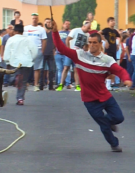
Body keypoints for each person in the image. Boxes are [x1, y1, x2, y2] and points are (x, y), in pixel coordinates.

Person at [52, 20, 132, 152]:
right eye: (90, 42)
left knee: (119, 118)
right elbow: (61, 48)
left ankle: (109, 122)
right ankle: (114, 144)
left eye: (95, 43)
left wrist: (126, 79)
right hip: (89, 99)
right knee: (104, 126)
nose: (92, 45)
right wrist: (55, 31)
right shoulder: (79, 55)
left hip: (105, 96)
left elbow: (119, 70)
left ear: (101, 44)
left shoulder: (107, 59)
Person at [4, 24, 38, 105]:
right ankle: (20, 99)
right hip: (26, 62)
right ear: (22, 32)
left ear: (15, 31)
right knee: (23, 82)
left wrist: (7, 61)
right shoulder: (28, 40)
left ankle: (15, 79)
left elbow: (7, 51)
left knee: (13, 78)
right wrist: (31, 59)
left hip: (14, 62)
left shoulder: (11, 39)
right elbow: (35, 51)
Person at [23, 13, 47, 91]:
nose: (34, 19)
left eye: (36, 18)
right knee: (26, 67)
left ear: (38, 19)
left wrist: (42, 50)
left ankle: (36, 85)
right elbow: (23, 39)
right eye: (33, 18)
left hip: (38, 49)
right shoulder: (26, 28)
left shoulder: (41, 29)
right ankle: (25, 84)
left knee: (37, 68)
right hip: (27, 50)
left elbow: (44, 40)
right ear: (31, 19)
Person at [101, 17, 121, 90]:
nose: (113, 22)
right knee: (107, 67)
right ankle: (106, 84)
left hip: (114, 51)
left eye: (114, 21)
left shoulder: (115, 31)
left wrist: (118, 44)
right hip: (108, 51)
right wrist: (105, 41)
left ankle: (109, 84)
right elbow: (99, 33)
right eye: (111, 21)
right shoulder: (106, 30)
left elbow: (119, 37)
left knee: (112, 67)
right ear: (108, 22)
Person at [55, 20, 72, 90]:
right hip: (58, 53)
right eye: (66, 24)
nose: (67, 25)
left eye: (68, 24)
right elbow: (55, 41)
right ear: (63, 24)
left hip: (66, 54)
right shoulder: (58, 32)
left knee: (67, 69)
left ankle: (68, 83)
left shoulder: (71, 33)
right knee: (59, 69)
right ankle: (59, 83)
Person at [40, 18, 56, 90]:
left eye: (49, 22)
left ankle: (51, 85)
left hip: (50, 53)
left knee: (52, 70)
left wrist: (54, 49)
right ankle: (41, 85)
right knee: (41, 70)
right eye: (47, 22)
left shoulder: (52, 32)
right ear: (44, 23)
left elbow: (55, 42)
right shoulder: (41, 32)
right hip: (43, 53)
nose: (48, 23)